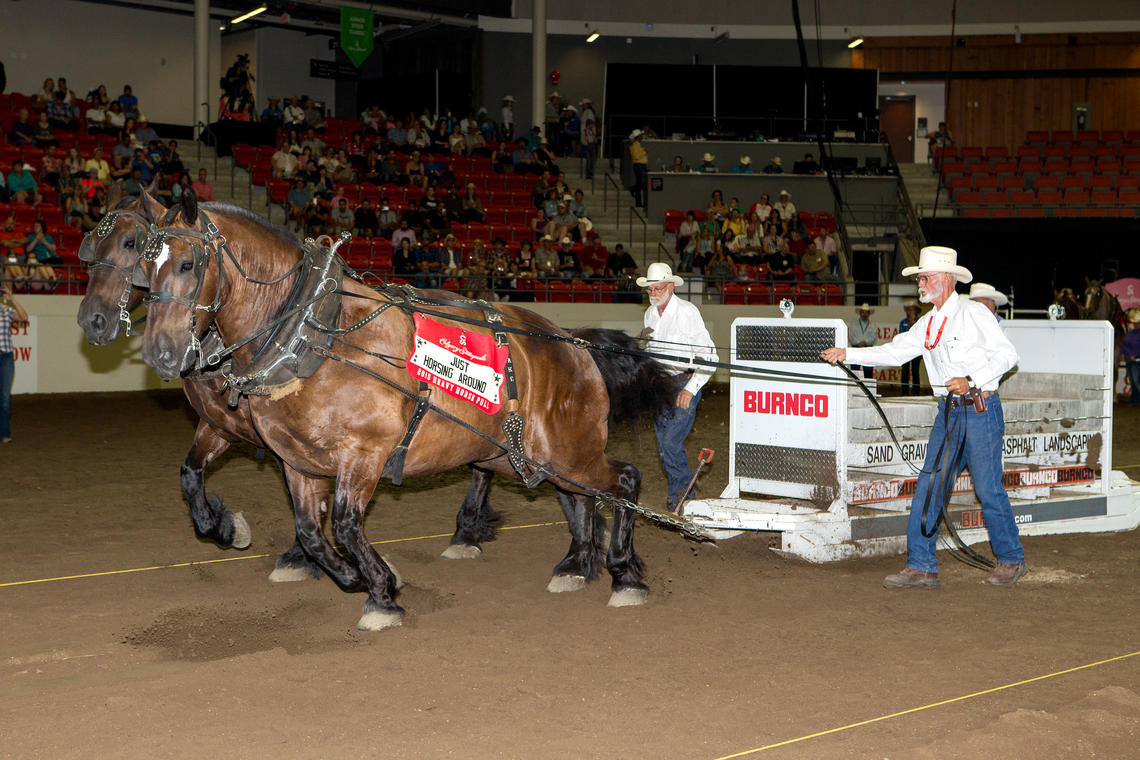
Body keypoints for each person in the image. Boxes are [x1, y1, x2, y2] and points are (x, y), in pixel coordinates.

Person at [821, 245, 1026, 587]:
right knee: (930, 485)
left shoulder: (975, 313)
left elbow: (1008, 355)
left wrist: (971, 380)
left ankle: (1011, 558)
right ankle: (921, 564)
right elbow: (894, 352)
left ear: (946, 279)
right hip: (948, 414)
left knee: (988, 489)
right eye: (919, 278)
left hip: (979, 408)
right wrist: (848, 353)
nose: (920, 282)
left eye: (925, 277)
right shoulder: (927, 324)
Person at [637, 263, 718, 513]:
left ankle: (685, 497)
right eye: (649, 289)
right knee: (664, 447)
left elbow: (710, 356)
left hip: (684, 383)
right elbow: (651, 352)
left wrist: (690, 389)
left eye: (657, 288)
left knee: (670, 443)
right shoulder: (650, 315)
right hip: (660, 387)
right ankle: (679, 496)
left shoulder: (687, 312)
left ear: (671, 287)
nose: (652, 294)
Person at [0, 283, 28, 442]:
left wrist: (12, 299)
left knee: (4, 397)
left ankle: (4, 434)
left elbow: (24, 317)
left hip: (5, 357)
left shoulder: (6, 310)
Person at [848, 303, 878, 379]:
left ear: (869, 314)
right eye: (863, 312)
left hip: (868, 349)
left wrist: (865, 342)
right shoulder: (853, 324)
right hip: (855, 348)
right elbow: (851, 336)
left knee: (868, 372)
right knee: (855, 371)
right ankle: (854, 389)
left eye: (866, 312)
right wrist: (858, 342)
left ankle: (868, 389)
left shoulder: (873, 325)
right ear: (860, 313)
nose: (864, 314)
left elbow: (874, 338)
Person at [898, 301, 922, 396]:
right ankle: (904, 392)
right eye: (909, 309)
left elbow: (922, 336)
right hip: (905, 350)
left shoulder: (920, 322)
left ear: (916, 311)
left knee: (915, 372)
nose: (910, 311)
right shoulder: (903, 322)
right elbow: (901, 335)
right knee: (905, 372)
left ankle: (916, 392)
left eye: (912, 309)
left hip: (916, 351)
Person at [1124, 309, 1140, 407]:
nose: (1135, 325)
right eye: (1135, 323)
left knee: (1137, 381)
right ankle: (1134, 400)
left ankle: (1136, 399)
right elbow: (1125, 345)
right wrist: (1123, 353)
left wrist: (1136, 355)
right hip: (1129, 360)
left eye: (1137, 323)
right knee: (1133, 381)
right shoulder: (1130, 333)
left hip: (1136, 361)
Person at [629, 129, 648, 208]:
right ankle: (638, 201)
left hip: (641, 165)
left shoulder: (638, 145)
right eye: (641, 136)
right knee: (640, 183)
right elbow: (636, 157)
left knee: (641, 183)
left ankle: (634, 190)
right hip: (639, 165)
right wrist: (644, 152)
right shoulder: (635, 146)